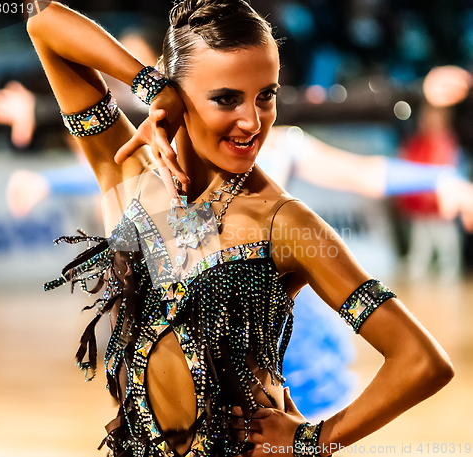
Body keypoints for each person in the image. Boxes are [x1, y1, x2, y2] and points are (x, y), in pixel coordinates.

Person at [27, 1, 454, 457]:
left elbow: (421, 361)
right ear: (176, 94)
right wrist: (150, 83)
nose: (253, 121)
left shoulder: (284, 222)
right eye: (226, 98)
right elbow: (44, 23)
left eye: (265, 95)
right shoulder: (130, 177)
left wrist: (311, 441)